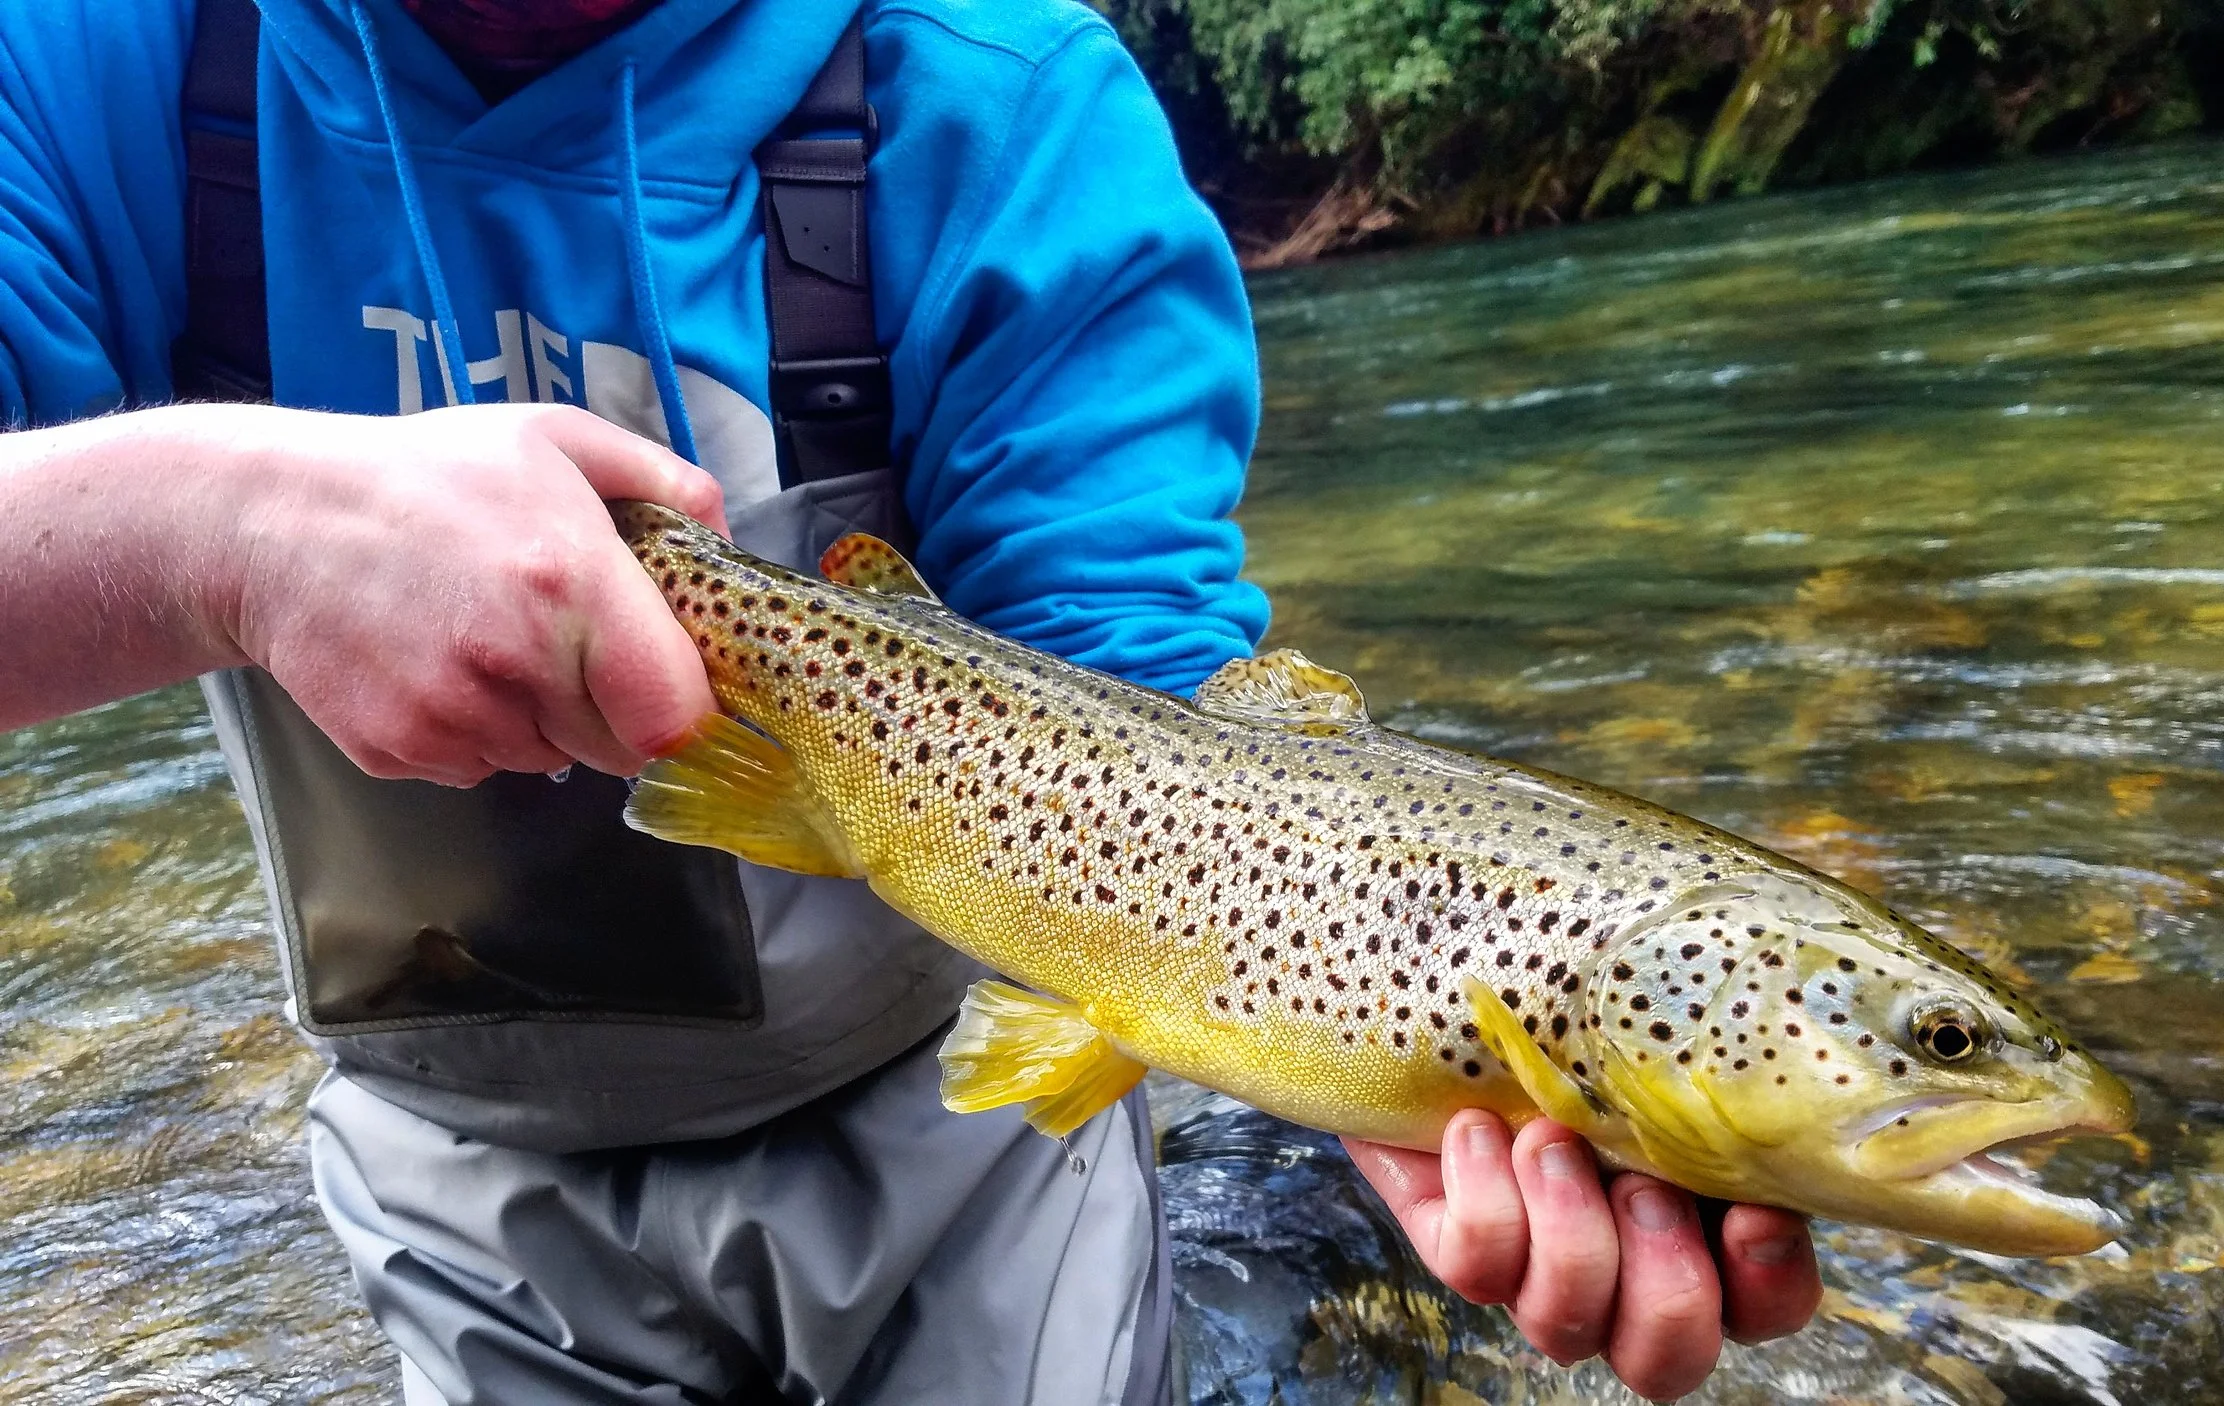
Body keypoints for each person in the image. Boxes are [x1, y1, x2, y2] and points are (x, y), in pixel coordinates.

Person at [0, 0, 1822, 1400]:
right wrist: (219, 529)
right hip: (460, 1157)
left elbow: (1151, 720)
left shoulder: (997, 98)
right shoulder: (98, 64)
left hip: (951, 1128)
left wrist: (1368, 1002)